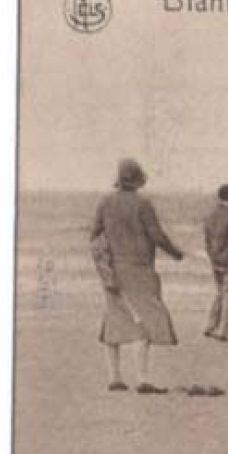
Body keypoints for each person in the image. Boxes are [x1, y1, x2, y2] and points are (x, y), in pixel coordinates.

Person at [90, 158, 188, 393]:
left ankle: (115, 378)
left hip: (113, 270)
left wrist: (106, 261)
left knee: (113, 320)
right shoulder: (143, 204)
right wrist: (177, 253)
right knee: (144, 320)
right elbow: (157, 236)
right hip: (140, 269)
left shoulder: (105, 203)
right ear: (138, 180)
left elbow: (95, 234)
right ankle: (143, 379)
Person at [201, 184, 228, 342]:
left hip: (215, 258)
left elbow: (206, 240)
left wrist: (212, 255)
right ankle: (224, 331)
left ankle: (210, 325)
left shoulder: (210, 215)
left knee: (219, 293)